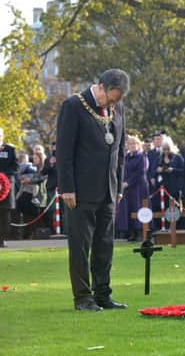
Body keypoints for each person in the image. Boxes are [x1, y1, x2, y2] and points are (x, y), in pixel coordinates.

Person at [56, 68, 129, 311]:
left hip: (108, 190)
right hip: (80, 191)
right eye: (111, 98)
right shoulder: (73, 106)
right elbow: (64, 151)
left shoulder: (118, 109)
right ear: (101, 86)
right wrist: (67, 187)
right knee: (80, 246)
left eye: (117, 100)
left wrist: (118, 184)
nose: (112, 104)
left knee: (104, 245)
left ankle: (102, 295)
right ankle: (82, 298)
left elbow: (120, 150)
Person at [115, 136, 149, 242]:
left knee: (138, 208)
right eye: (130, 144)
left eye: (134, 144)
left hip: (139, 187)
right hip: (128, 189)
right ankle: (132, 232)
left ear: (138, 145)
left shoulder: (142, 156)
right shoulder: (126, 157)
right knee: (128, 209)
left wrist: (128, 182)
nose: (132, 146)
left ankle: (140, 232)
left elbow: (141, 172)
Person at [0, 127, 18, 247]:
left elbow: (15, 167)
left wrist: (3, 178)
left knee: (5, 213)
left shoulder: (10, 149)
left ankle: (2, 239)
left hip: (5, 187)